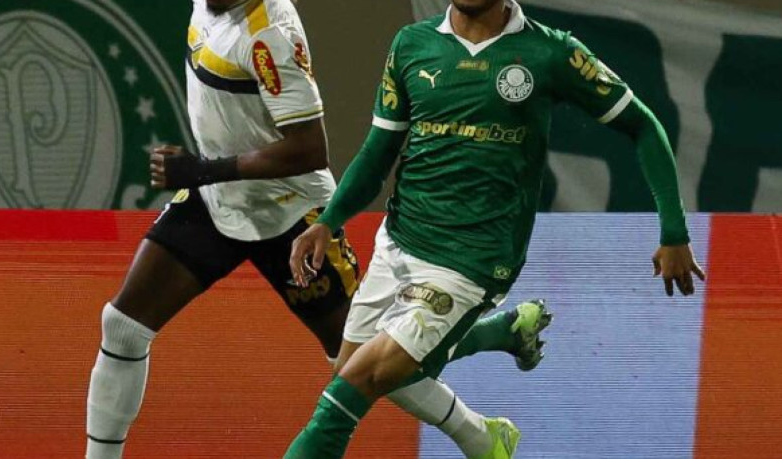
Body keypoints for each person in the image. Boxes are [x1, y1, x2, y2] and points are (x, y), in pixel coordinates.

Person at [84, 1, 550, 458]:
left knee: (361, 362)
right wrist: (207, 177)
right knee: (122, 326)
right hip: (216, 200)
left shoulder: (270, 35)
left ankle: (481, 433)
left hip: (292, 216)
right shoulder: (208, 6)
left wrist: (201, 170)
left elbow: (308, 150)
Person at [285, 0, 707, 458]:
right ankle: (488, 419)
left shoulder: (551, 53)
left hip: (474, 259)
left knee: (353, 386)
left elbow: (642, 125)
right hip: (401, 239)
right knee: (356, 367)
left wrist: (673, 231)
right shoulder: (411, 45)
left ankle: (483, 396)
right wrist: (330, 221)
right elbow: (378, 152)